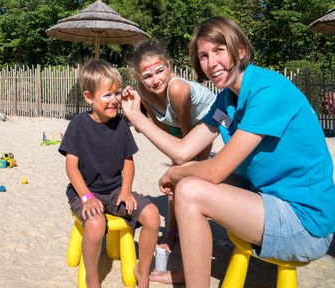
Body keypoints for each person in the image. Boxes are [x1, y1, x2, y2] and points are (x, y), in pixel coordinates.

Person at [121, 16, 335, 286]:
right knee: (189, 181)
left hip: (305, 222)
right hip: (268, 198)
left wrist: (177, 173)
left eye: (219, 51)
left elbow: (216, 169)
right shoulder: (226, 100)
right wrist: (136, 116)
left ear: (241, 50)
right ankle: (190, 270)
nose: (211, 63)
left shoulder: (268, 91)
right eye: (203, 56)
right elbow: (184, 149)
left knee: (189, 189)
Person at [59, 59, 160, 288]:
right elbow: (71, 167)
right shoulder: (78, 125)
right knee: (95, 225)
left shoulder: (121, 126)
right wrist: (86, 197)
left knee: (153, 215)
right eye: (107, 95)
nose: (114, 100)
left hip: (115, 190)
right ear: (89, 97)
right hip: (84, 191)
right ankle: (92, 276)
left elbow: (128, 162)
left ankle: (142, 270)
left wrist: (126, 190)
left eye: (116, 94)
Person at [131, 40, 216, 251]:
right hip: (180, 123)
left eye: (160, 71)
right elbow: (160, 127)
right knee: (179, 172)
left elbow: (187, 140)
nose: (155, 80)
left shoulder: (177, 88)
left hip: (209, 118)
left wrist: (181, 166)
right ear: (139, 78)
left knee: (185, 172)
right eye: (148, 76)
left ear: (169, 66)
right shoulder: (143, 91)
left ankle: (178, 231)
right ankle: (173, 230)